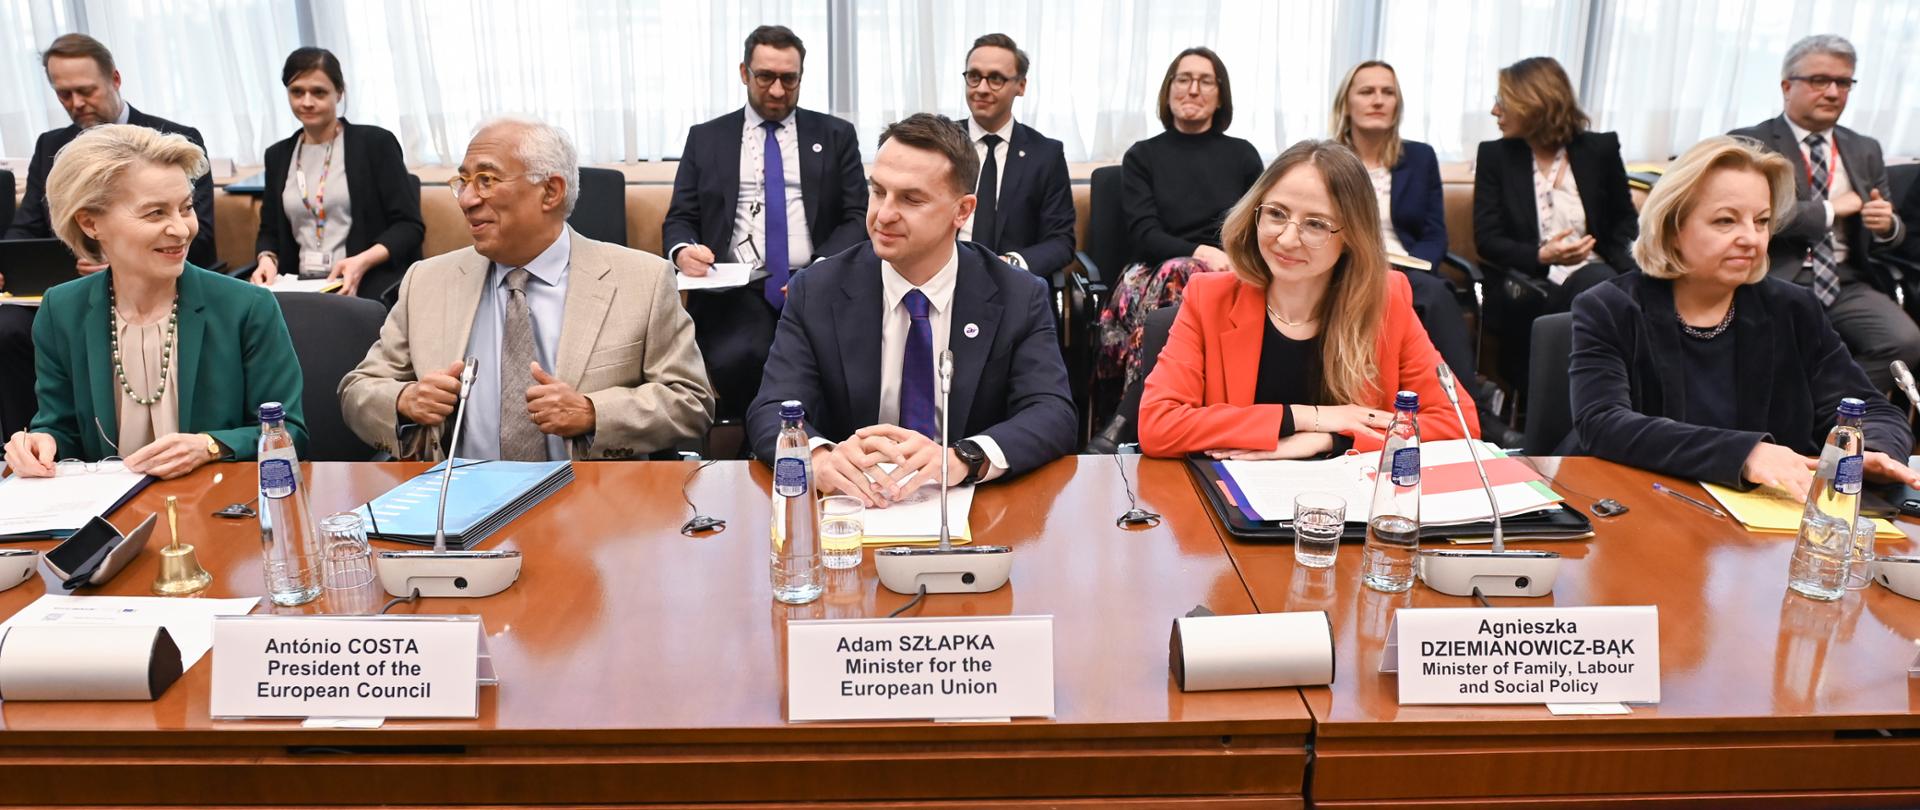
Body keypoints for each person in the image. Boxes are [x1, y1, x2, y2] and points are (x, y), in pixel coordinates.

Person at [747, 114, 1075, 507]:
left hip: (974, 511)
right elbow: (771, 408)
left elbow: (1052, 412)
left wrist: (962, 458)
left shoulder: (1018, 295)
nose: (883, 214)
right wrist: (818, 457)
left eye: (911, 199)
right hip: (853, 513)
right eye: (878, 191)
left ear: (963, 211)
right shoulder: (817, 290)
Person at [339, 117, 713, 461]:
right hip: (460, 506)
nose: (467, 200)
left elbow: (691, 402)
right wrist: (404, 400)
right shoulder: (427, 281)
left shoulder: (641, 281)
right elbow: (358, 390)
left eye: (486, 180)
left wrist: (593, 413)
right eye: (464, 182)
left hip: (592, 507)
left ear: (550, 191)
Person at [1568, 136, 1917, 500]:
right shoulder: (1608, 307)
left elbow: (1871, 408)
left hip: (1761, 521)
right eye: (1725, 221)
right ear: (1673, 229)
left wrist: (1873, 450)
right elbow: (1603, 423)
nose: (1751, 238)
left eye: (1762, 221)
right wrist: (1745, 454)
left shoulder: (1793, 308)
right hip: (1642, 506)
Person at [1138, 140, 1479, 459]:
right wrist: (1308, 418)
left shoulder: (1387, 299)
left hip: (1350, 510)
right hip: (1233, 505)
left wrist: (1334, 439)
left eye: (1315, 224)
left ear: (1351, 236)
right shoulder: (1209, 296)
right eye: (1276, 213)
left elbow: (1459, 427)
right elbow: (1158, 427)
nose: (1287, 239)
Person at [3, 125, 304, 479]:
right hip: (113, 524)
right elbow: (61, 428)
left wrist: (210, 446)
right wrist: (40, 443)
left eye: (186, 208)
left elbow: (291, 435)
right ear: (90, 223)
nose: (181, 229)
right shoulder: (60, 311)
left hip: (218, 511)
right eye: (155, 213)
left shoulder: (247, 307)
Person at [2, 33, 218, 436]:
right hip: (68, 289)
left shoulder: (170, 140)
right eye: (63, 94)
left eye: (85, 91)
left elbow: (198, 237)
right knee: (7, 326)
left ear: (115, 80)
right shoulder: (51, 145)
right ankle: (27, 442)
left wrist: (116, 257)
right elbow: (27, 225)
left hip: (158, 280)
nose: (76, 104)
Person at [663, 25, 868, 424]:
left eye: (788, 79)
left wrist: (821, 268)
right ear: (744, 73)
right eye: (765, 77)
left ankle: (808, 440)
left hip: (818, 284)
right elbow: (681, 217)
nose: (777, 91)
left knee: (837, 363)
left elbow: (857, 216)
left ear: (800, 78)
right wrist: (683, 251)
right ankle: (767, 438)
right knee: (741, 356)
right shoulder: (707, 138)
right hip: (736, 289)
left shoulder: (835, 135)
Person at [1332, 59, 1512, 442]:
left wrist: (1420, 266)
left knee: (1434, 291)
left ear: (1398, 103)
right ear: (1346, 103)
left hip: (1408, 268)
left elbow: (1434, 233)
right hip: (1343, 266)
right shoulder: (1327, 159)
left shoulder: (1420, 157)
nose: (1378, 100)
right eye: (1367, 91)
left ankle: (1467, 412)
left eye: (1388, 92)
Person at [1730, 34, 1914, 393]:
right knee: (1780, 353)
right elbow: (1750, 217)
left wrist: (1886, 224)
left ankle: (1836, 414)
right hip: (1774, 276)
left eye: (1843, 82)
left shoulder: (1864, 148)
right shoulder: (1748, 144)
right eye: (1819, 80)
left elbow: (1891, 226)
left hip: (1846, 280)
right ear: (1787, 86)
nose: (1833, 92)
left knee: (1905, 341)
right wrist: (1830, 209)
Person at [1098, 46, 1264, 397]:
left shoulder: (1243, 155)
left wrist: (1221, 260)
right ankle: (1152, 402)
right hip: (1154, 269)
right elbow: (1144, 234)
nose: (1193, 89)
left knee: (1189, 276)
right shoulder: (1143, 155)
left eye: (1206, 81)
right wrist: (1202, 253)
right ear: (1169, 90)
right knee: (1178, 272)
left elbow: (1256, 229)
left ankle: (1135, 410)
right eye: (1184, 79)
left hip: (1227, 272)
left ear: (1221, 97)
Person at [247, 47, 424, 301]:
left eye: (319, 92)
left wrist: (362, 261)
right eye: (297, 92)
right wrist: (266, 259)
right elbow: (269, 231)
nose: (307, 101)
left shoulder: (375, 144)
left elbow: (409, 227)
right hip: (298, 285)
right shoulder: (277, 155)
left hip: (364, 282)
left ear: (339, 93)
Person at [1473, 56, 1637, 314]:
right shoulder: (1495, 156)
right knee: (1601, 290)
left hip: (1597, 275)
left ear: (1534, 105)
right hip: (1530, 284)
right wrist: (1542, 256)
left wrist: (1633, 275)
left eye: (1503, 101)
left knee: (1602, 283)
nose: (1495, 110)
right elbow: (1488, 240)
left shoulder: (1599, 150)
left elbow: (1624, 222)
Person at [957, 33, 1075, 279]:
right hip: (944, 278)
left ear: (1021, 86)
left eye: (996, 79)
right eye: (974, 77)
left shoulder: (1046, 154)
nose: (982, 88)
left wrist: (1010, 264)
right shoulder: (940, 143)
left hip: (1013, 284)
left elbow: (1061, 241)